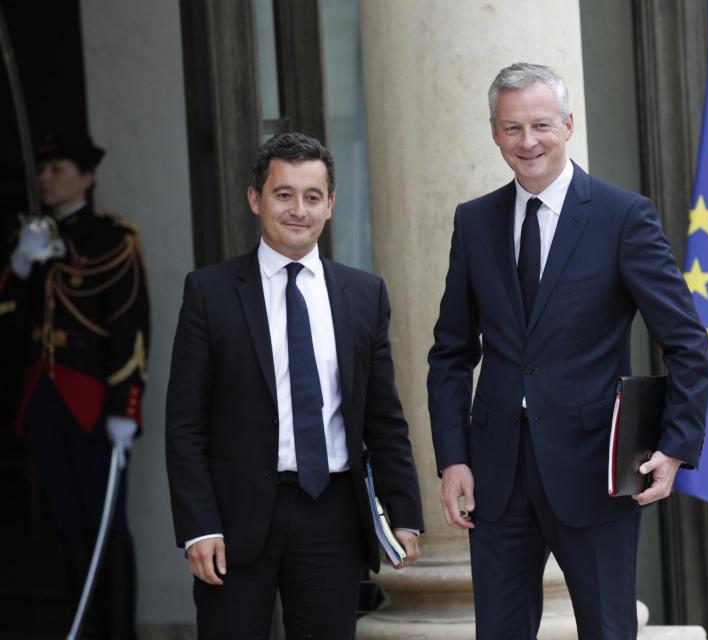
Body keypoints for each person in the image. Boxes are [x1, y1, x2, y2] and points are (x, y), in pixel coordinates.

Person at [427, 63, 708, 639]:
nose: (527, 141)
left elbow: (686, 342)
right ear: (493, 132)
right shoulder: (474, 221)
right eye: (512, 128)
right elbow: (451, 353)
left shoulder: (623, 217)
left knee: (608, 630)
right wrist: (453, 457)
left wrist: (675, 446)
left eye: (540, 125)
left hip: (596, 472)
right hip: (496, 478)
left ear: (568, 125)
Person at [165, 131, 424, 639]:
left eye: (312, 197)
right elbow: (185, 424)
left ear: (330, 205)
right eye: (284, 194)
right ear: (255, 199)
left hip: (330, 513)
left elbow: (383, 417)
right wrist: (199, 525)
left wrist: (406, 514)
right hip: (234, 519)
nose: (298, 210)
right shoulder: (209, 292)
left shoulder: (363, 294)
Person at [0, 130, 150, 638]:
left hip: (93, 400)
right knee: (67, 527)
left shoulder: (111, 240)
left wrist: (125, 408)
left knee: (107, 526)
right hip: (44, 399)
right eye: (42, 172)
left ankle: (118, 632)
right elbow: (10, 330)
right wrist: (21, 265)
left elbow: (131, 330)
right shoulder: (31, 241)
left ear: (86, 178)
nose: (46, 179)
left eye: (57, 170)